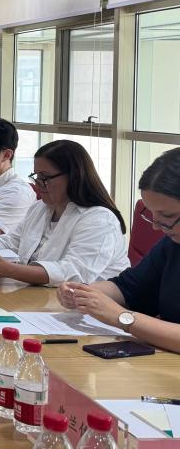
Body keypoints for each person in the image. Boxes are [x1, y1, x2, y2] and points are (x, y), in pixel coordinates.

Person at [0, 140, 128, 285]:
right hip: (40, 296)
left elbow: (74, 273)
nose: (38, 184)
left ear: (74, 176)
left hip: (86, 309)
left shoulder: (99, 219)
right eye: (36, 176)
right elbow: (14, 240)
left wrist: (8, 270)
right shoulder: (41, 208)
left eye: (45, 177)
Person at [58, 148, 180, 352]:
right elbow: (127, 287)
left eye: (166, 216)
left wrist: (121, 317)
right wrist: (83, 292)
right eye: (151, 213)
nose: (155, 226)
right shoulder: (172, 244)